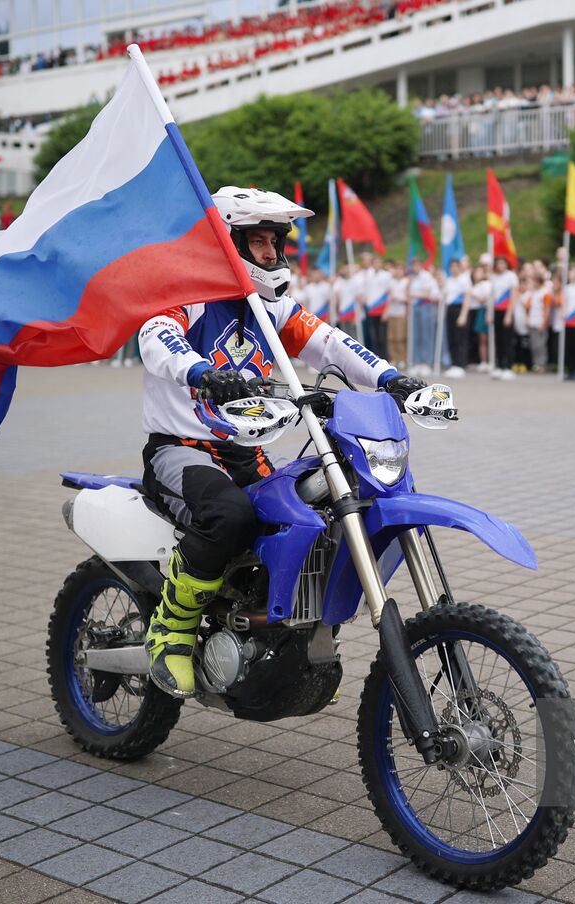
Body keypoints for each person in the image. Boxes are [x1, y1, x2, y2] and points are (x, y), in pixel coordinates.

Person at [137, 187, 425, 698]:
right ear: (227, 243)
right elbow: (157, 336)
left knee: (311, 516)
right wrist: (200, 370)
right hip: (180, 449)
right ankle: (171, 630)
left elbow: (332, 343)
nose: (270, 253)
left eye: (274, 242)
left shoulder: (272, 309)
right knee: (231, 517)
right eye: (257, 241)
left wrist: (391, 379)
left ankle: (280, 635)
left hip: (245, 451)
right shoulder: (186, 296)